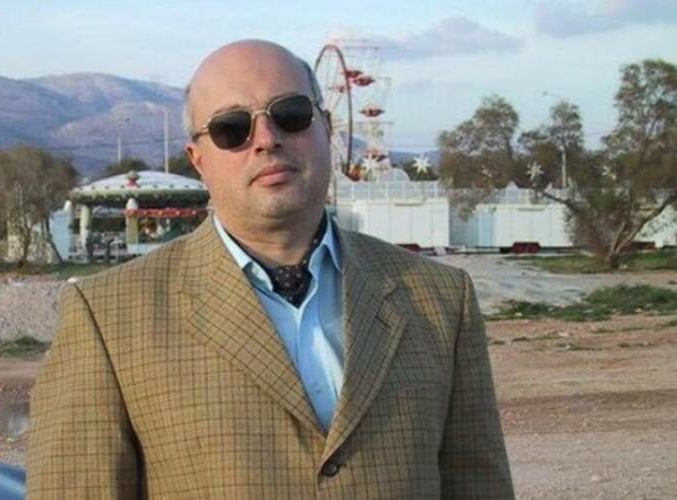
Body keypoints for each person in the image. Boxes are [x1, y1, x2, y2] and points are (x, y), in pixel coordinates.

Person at [28, 40, 514, 499]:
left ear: (326, 128)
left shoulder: (439, 297)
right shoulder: (107, 317)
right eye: (231, 128)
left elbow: (479, 484)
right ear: (198, 159)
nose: (266, 139)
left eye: (291, 115)